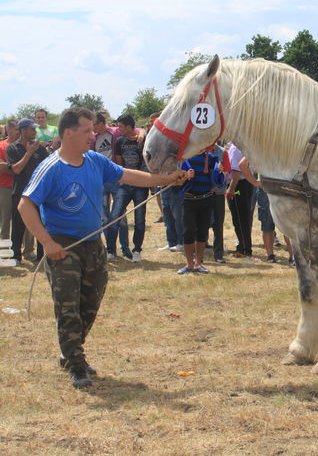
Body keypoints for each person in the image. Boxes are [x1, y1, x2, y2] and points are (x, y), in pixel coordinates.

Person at [17, 107, 190, 388]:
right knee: (68, 308)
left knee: (90, 304)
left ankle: (70, 351)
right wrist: (47, 243)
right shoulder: (51, 168)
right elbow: (25, 205)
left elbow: (133, 176)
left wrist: (168, 179)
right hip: (63, 245)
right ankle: (75, 363)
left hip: (92, 243)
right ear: (69, 133)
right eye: (86, 131)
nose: (92, 135)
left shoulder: (95, 161)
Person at [6, 118, 50, 262]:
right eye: (32, 129)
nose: (35, 131)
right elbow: (16, 169)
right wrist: (29, 152)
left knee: (41, 225)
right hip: (20, 193)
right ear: (23, 130)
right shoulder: (12, 148)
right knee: (18, 227)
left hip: (38, 194)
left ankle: (41, 256)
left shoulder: (41, 149)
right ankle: (16, 256)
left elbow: (47, 168)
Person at [106, 114, 148, 262]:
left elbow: (145, 132)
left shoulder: (144, 141)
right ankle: (110, 250)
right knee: (114, 217)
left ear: (129, 127)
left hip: (141, 186)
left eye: (121, 126)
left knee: (140, 219)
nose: (119, 129)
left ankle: (137, 250)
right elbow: (119, 165)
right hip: (124, 185)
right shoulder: (119, 141)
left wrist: (142, 134)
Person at [178, 149, 224, 274]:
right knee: (188, 232)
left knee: (202, 232)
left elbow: (218, 181)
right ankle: (189, 264)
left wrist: (219, 171)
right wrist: (186, 176)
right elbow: (177, 181)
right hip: (189, 200)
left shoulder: (212, 159)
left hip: (206, 199)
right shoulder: (185, 158)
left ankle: (198, 263)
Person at [91, 111, 130, 257]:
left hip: (117, 179)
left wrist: (142, 133)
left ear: (101, 123)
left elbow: (136, 129)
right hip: (100, 180)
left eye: (94, 124)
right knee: (104, 217)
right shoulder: (93, 139)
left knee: (120, 215)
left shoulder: (116, 132)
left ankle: (125, 248)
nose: (92, 128)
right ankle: (110, 249)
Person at [225, 143, 255, 257]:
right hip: (244, 183)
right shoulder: (241, 146)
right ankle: (243, 246)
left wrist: (231, 189)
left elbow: (236, 172)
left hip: (238, 185)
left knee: (240, 218)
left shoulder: (236, 148)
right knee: (242, 217)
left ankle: (244, 249)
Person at [0, 119, 19, 239]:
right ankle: (4, 247)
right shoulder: (1, 146)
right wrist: (17, 169)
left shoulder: (23, 145)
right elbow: (1, 168)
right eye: (16, 129)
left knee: (23, 218)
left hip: (20, 186)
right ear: (8, 130)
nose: (19, 132)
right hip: (4, 186)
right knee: (5, 218)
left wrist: (8, 166)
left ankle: (27, 249)